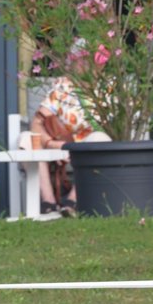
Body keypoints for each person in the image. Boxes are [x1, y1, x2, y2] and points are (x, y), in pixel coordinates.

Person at [29, 76, 111, 215]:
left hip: (87, 145)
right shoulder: (63, 88)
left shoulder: (108, 87)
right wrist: (52, 143)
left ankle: (72, 201)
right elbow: (36, 123)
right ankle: (48, 201)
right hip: (60, 142)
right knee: (27, 140)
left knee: (99, 139)